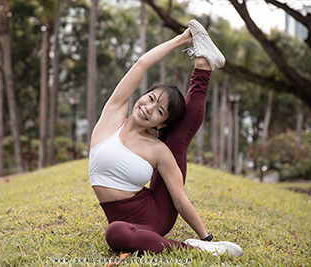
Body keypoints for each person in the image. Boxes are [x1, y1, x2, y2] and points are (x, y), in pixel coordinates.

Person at [89, 19, 243, 257]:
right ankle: (203, 62)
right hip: (128, 224)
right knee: (117, 231)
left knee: (114, 233)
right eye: (151, 99)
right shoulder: (110, 118)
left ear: (161, 123)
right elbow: (141, 65)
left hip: (157, 215)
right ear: (143, 95)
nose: (149, 108)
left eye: (159, 111)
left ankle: (203, 66)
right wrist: (181, 40)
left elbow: (180, 201)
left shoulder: (158, 150)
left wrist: (206, 236)